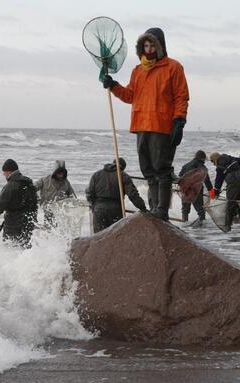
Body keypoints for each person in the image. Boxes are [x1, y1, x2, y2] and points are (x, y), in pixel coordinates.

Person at [103, 27, 190, 221]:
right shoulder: (138, 70)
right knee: (148, 170)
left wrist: (179, 121)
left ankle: (162, 209)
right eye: (146, 45)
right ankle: (154, 207)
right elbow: (130, 96)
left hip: (163, 125)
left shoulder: (173, 67)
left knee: (162, 169)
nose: (149, 49)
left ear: (160, 46)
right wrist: (114, 86)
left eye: (152, 45)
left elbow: (181, 96)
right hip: (141, 124)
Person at [0, 159, 38, 247]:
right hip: (28, 223)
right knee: (25, 248)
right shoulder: (29, 184)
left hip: (13, 225)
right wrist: (32, 221)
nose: (4, 174)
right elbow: (35, 204)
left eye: (4, 172)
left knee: (10, 248)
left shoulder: (11, 186)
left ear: (9, 172)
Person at [85, 157, 148, 233]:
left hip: (99, 210)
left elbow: (89, 193)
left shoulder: (96, 175)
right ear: (123, 167)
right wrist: (143, 207)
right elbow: (132, 195)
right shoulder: (123, 176)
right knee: (115, 236)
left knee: (98, 237)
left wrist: (94, 205)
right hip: (115, 210)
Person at [211, 152, 240, 231]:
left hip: (234, 184)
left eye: (212, 161)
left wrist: (215, 193)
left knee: (230, 204)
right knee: (239, 202)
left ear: (215, 159)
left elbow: (218, 182)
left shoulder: (220, 166)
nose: (213, 164)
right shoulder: (231, 158)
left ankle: (227, 226)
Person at [34, 160, 76, 227]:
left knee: (60, 229)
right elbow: (31, 189)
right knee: (49, 229)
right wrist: (37, 199)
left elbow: (73, 197)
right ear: (55, 172)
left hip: (61, 212)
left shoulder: (66, 183)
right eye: (59, 173)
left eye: (62, 173)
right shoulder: (44, 180)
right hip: (48, 210)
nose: (60, 175)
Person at [178, 150, 214, 227]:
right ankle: (203, 226)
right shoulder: (201, 166)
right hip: (195, 191)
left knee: (185, 209)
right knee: (200, 210)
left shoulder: (185, 166)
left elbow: (180, 177)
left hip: (185, 190)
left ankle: (184, 225)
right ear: (202, 158)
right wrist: (211, 192)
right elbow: (206, 180)